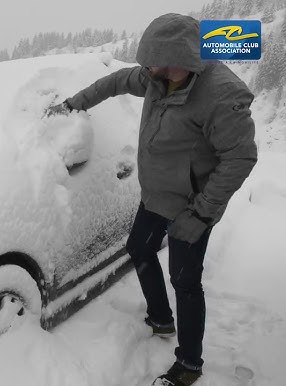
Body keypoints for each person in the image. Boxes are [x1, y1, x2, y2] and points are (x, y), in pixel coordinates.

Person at [46, 13, 257, 386]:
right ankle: (161, 319)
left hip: (193, 206)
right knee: (139, 249)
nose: (148, 69)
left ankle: (189, 364)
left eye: (156, 63)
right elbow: (114, 81)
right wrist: (73, 103)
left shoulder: (221, 94)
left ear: (182, 59)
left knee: (185, 280)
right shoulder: (157, 77)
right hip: (156, 195)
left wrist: (202, 214)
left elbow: (240, 157)